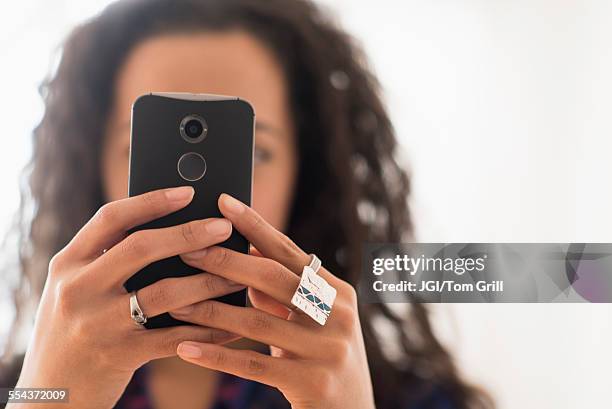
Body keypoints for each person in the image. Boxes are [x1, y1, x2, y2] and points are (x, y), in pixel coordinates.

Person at [0, 0, 493, 408]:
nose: (201, 193)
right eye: (147, 148)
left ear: (309, 169)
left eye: (255, 151)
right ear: (96, 167)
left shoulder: (418, 400)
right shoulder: (23, 390)